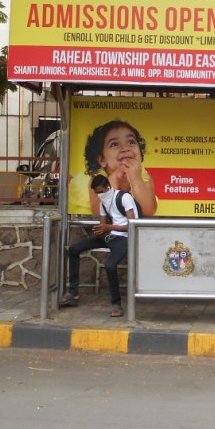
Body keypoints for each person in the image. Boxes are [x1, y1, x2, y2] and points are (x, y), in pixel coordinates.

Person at [61, 173, 137, 317]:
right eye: (97, 193)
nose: (100, 195)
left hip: (123, 238)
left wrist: (109, 227)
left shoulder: (124, 197)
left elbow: (132, 225)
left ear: (108, 187)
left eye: (101, 192)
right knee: (74, 249)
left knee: (110, 265)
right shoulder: (103, 203)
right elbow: (103, 224)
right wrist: (100, 229)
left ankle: (116, 304)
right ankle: (73, 292)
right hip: (108, 235)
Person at [68, 120, 158, 216]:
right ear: (102, 159)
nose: (125, 148)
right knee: (70, 185)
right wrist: (115, 177)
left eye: (131, 142)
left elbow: (148, 211)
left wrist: (136, 179)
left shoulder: (144, 177)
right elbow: (99, 211)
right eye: (114, 144)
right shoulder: (97, 178)